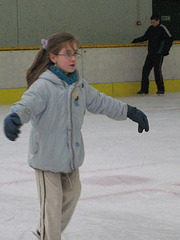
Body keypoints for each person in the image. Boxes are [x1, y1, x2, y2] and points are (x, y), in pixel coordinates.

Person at [4, 32, 149, 240]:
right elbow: (27, 104)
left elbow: (102, 102)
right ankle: (48, 234)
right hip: (46, 158)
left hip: (70, 157)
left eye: (75, 54)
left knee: (73, 193)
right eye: (67, 54)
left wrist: (129, 111)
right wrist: (14, 117)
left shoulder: (79, 85)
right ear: (53, 57)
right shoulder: (44, 86)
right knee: (52, 206)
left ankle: (45, 229)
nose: (73, 58)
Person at [132, 14, 173, 95]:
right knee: (145, 70)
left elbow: (170, 39)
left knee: (157, 71)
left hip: (158, 54)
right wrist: (135, 40)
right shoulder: (151, 28)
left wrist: (165, 51)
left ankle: (161, 89)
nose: (153, 24)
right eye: (151, 22)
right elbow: (145, 37)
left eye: (154, 22)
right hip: (150, 53)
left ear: (158, 21)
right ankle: (144, 89)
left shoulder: (162, 28)